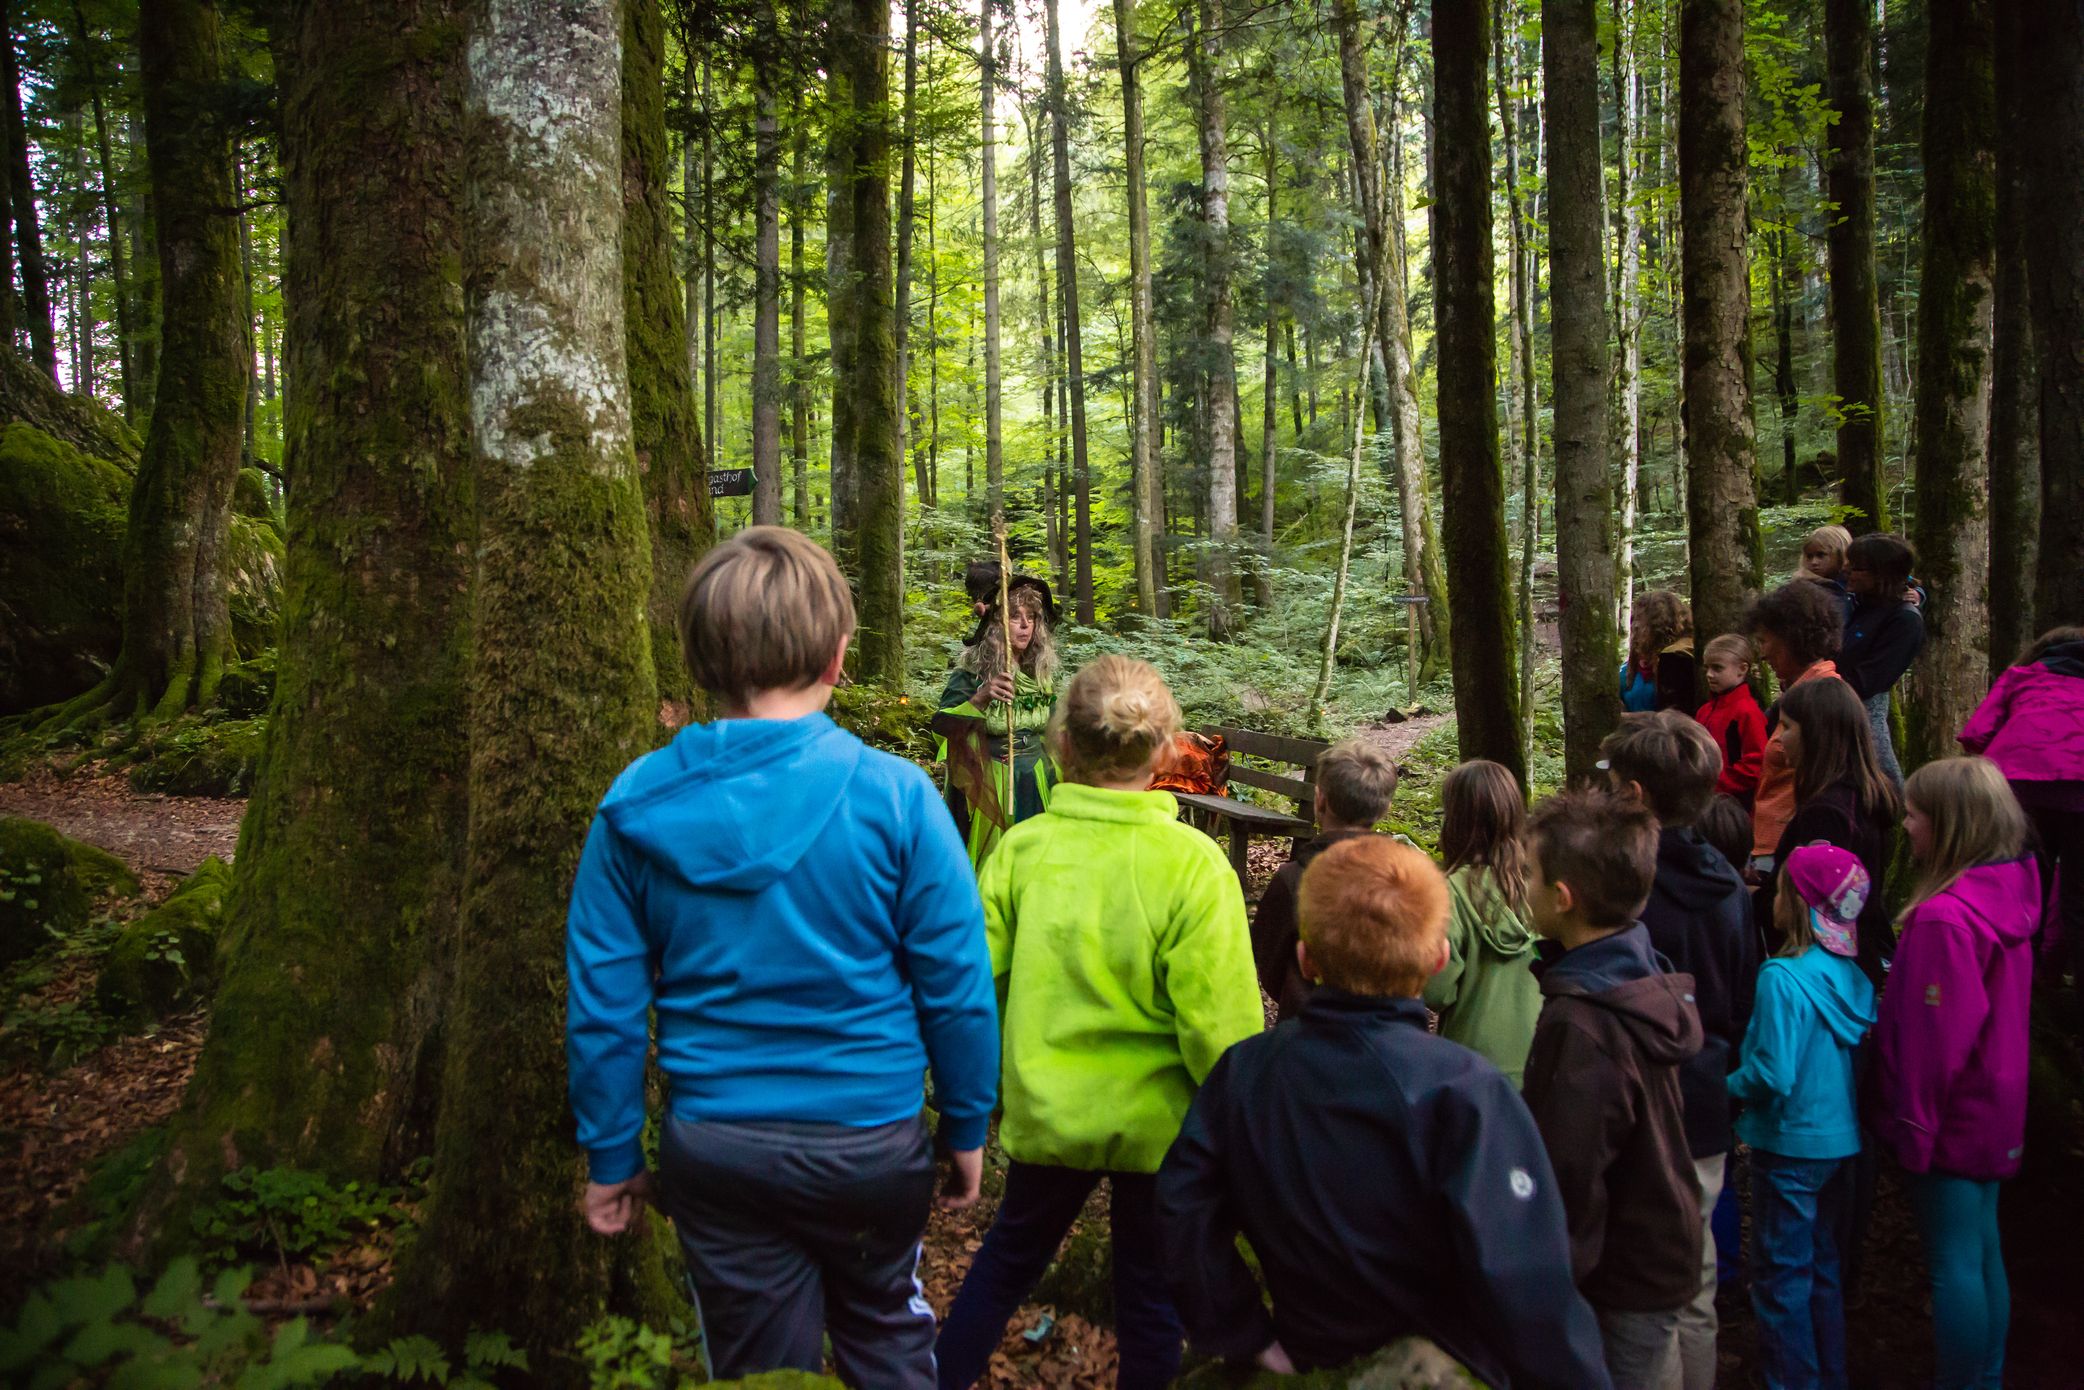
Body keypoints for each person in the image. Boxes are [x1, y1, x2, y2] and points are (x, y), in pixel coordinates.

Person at [565, 528, 998, 1388]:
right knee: (889, 1340)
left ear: (698, 662)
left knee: (758, 1369)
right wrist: (965, 1125)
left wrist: (612, 1152)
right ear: (839, 657)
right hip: (871, 1143)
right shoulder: (898, 797)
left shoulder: (633, 806)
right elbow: (956, 985)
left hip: (720, 1151)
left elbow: (604, 1004)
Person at [1157, 835, 1613, 1389]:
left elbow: (1181, 1205)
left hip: (1305, 1352)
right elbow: (1528, 1282)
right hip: (1441, 1366)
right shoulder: (1467, 1092)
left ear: (1305, 958)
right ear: (1440, 958)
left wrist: (1242, 1330)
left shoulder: (1245, 1073)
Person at [934, 656, 1262, 1390]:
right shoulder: (1195, 866)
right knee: (1149, 1296)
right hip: (1162, 1131)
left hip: (1050, 1113)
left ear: (1062, 747)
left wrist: (974, 1093)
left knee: (1004, 1265)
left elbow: (967, 984)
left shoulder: (1023, 851)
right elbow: (1222, 1027)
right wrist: (1241, 1128)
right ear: (1170, 750)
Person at [1520, 788, 1704, 1390]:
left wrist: (1541, 1289)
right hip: (1660, 1244)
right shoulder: (1638, 963)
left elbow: (1571, 1173)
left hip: (1625, 1272)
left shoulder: (1583, 1022)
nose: (1520, 885)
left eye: (1528, 874)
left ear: (1563, 898)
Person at [1600, 712, 1759, 1390]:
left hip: (1647, 1101)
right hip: (1703, 1101)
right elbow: (1744, 998)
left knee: (1642, 1290)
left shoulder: (1626, 887)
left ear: (1636, 795)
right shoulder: (1728, 881)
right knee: (1692, 1279)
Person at [1872, 757, 2040, 1390]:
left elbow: (1932, 1043)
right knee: (1981, 1247)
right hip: (1997, 1103)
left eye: (1914, 814)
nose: (1905, 826)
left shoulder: (1946, 917)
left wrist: (1911, 1126)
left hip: (1955, 1114)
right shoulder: (2014, 889)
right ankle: (1987, 1376)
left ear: (1947, 826)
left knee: (1953, 1264)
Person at [1728, 845, 1878, 1390]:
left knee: (1779, 1278)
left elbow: (1772, 1073)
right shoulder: (1853, 979)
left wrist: (1724, 1086)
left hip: (1790, 1146)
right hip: (1839, 1145)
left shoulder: (1781, 979)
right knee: (1822, 1270)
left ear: (1795, 902)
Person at [1959, 626, 2084, 990]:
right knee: (2078, 903)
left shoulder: (2022, 675)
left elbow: (1975, 734)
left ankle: (2020, 991)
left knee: (2027, 888)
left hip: (2022, 789)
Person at [1763, 676, 1901, 986]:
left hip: (1826, 973)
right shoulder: (1860, 796)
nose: (1779, 739)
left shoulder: (1827, 814)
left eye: (1787, 727)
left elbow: (1814, 904)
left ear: (1816, 735)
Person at [1252, 738, 1400, 1019]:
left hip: (1305, 1028)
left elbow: (1268, 963)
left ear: (1320, 800)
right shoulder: (1408, 880)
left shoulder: (1292, 881)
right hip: (1389, 1032)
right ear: (1385, 808)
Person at [1422, 759, 1542, 1087]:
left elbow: (1436, 990)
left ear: (1455, 820)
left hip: (1470, 1067)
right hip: (1545, 1056)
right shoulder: (1545, 885)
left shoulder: (1450, 893)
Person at [934, 574, 1061, 866]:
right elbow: (942, 726)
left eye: (1031, 617)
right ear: (996, 624)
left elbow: (1055, 730)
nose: (1025, 625)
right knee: (994, 863)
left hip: (1038, 781)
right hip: (990, 784)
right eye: (1015, 616)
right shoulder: (972, 671)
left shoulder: (1039, 671)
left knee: (1036, 860)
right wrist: (981, 697)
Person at [1745, 580, 1848, 873]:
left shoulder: (1821, 697)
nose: (1762, 654)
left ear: (1791, 638)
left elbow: (1825, 782)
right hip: (1771, 844)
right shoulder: (1799, 693)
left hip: (1791, 851)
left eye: (1765, 641)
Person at [1839, 533, 1924, 790]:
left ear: (1882, 574)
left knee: (1880, 786)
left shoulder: (1904, 620)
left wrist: (1818, 685)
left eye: (1857, 567)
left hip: (1860, 716)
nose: (1847, 571)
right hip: (1832, 705)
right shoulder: (1858, 603)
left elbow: (1868, 681)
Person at [1696, 633, 1768, 804]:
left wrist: (1715, 783)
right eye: (1707, 668)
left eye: (1717, 668)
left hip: (1734, 802)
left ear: (1742, 669)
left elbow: (1756, 764)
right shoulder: (1704, 711)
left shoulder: (1747, 712)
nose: (1709, 674)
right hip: (1704, 797)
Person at [1622, 591, 1699, 714]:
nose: (1636, 626)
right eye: (1635, 618)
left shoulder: (1678, 659)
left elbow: (1677, 712)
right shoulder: (1630, 668)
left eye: (1642, 620)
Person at [1798, 524, 1856, 618]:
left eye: (1820, 555)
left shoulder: (1853, 585)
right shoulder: (1803, 589)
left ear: (1840, 554)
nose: (1814, 562)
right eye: (1809, 556)